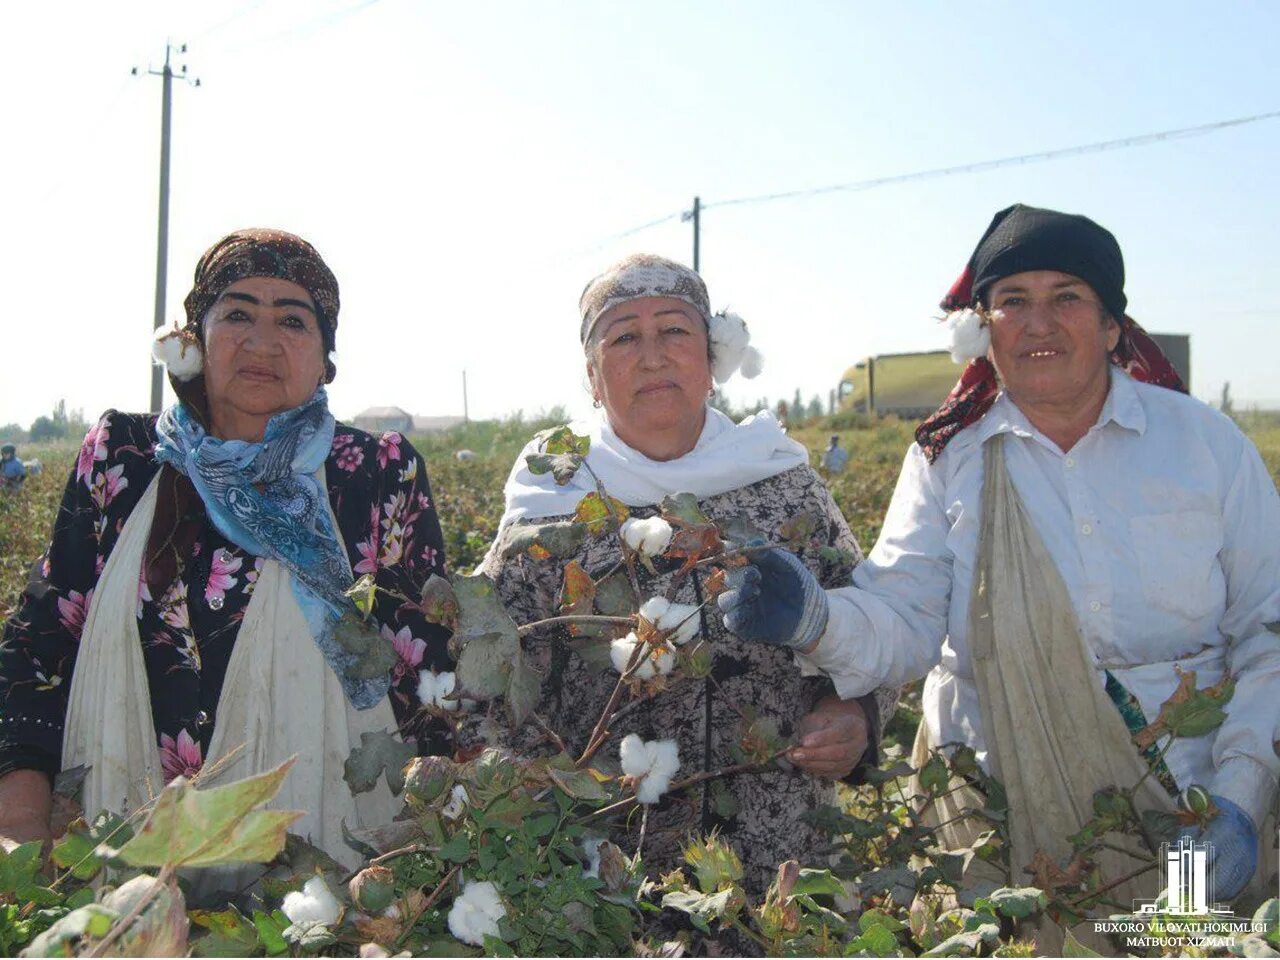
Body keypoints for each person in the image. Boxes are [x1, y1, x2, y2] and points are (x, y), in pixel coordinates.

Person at [719, 205, 1279, 909]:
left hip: (1192, 809)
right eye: (1013, 301)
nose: (1038, 323)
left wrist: (1240, 796)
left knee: (1188, 948)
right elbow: (906, 615)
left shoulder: (1206, 447)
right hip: (998, 816)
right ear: (984, 330)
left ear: (1112, 327)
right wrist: (817, 621)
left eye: (1066, 298)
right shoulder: (949, 460)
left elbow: (1270, 630)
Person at [0, 229, 452, 867]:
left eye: (293, 321)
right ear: (193, 339)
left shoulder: (376, 473)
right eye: (237, 313)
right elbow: (43, 638)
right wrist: (21, 822)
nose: (262, 342)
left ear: (326, 358)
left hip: (323, 853)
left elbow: (426, 665)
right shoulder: (125, 456)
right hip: (121, 838)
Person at [470, 253, 899, 895]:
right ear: (593, 375)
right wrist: (534, 804)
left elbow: (872, 625)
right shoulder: (551, 512)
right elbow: (488, 688)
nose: (653, 356)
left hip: (781, 853)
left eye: (674, 330)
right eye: (623, 337)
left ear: (711, 361)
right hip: (606, 865)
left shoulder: (786, 490)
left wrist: (855, 712)